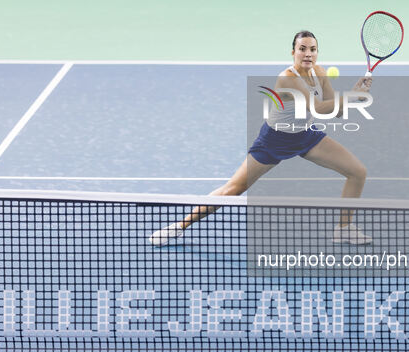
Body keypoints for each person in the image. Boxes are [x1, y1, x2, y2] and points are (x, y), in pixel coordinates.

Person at [150, 30, 372, 246]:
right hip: (275, 140)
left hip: (305, 135)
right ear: (292, 52)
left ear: (317, 52)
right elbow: (319, 107)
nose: (307, 54)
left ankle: (344, 229)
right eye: (302, 49)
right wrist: (351, 96)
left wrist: (353, 97)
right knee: (232, 190)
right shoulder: (287, 79)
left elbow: (334, 112)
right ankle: (180, 226)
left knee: (357, 172)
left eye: (312, 49)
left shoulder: (320, 73)